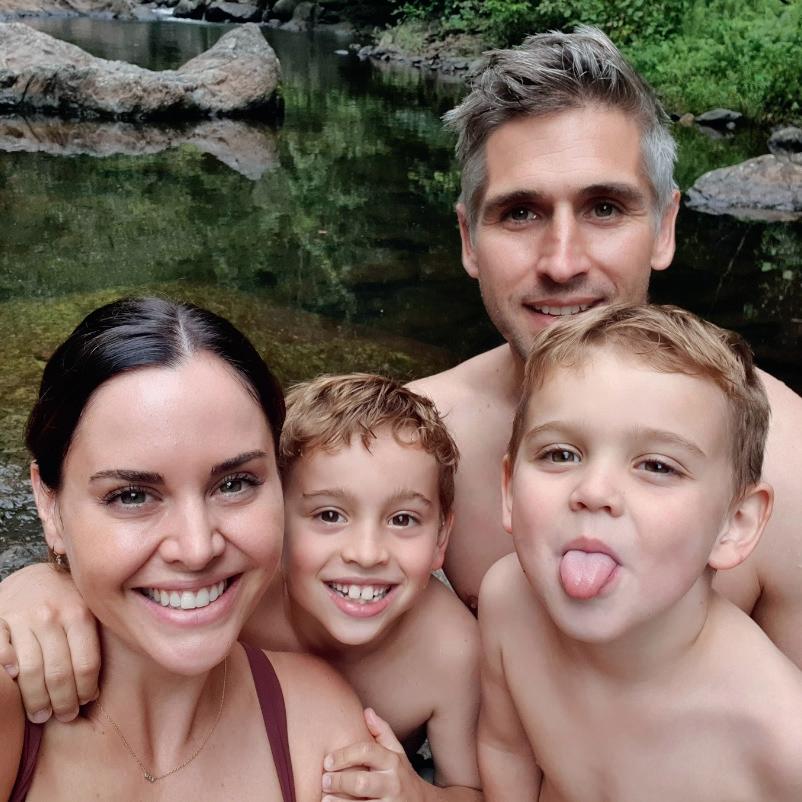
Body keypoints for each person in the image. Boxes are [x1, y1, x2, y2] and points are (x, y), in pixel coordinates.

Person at [408, 26, 802, 668]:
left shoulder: (785, 461)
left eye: (605, 209)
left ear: (665, 227)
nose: (562, 263)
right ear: (469, 240)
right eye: (520, 213)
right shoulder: (411, 440)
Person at [0, 373, 482, 802]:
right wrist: (43, 582)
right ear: (275, 521)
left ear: (442, 537)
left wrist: (418, 794)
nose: (366, 553)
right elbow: (119, 576)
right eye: (330, 515)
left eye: (403, 519)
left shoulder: (451, 650)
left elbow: (473, 789)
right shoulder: (236, 596)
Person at [0, 297, 371, 801]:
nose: (197, 549)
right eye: (132, 496)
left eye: (235, 484)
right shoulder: (9, 707)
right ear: (49, 506)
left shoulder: (320, 728)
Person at [478, 303, 802, 801]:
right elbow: (505, 749)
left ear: (734, 524)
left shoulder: (779, 739)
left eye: (657, 466)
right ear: (509, 490)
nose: (594, 491)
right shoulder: (507, 603)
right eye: (560, 454)